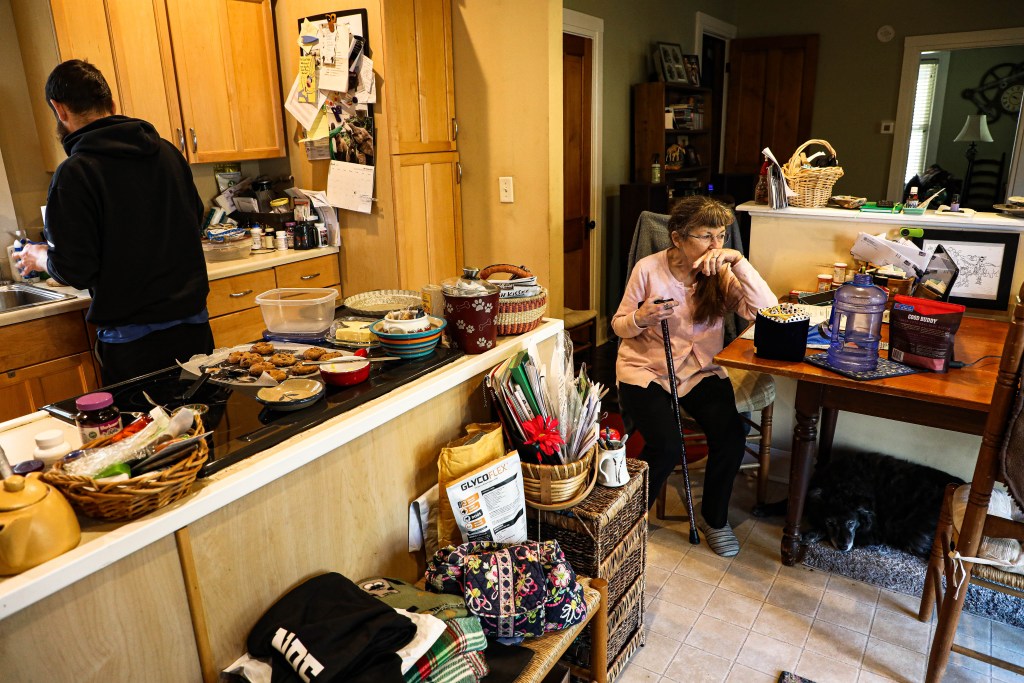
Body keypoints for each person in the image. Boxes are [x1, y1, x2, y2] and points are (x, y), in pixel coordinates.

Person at [15, 60, 213, 385]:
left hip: (135, 346)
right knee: (203, 427)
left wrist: (39, 257)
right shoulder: (167, 153)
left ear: (59, 109)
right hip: (195, 332)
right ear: (111, 104)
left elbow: (75, 269)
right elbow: (193, 220)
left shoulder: (76, 173)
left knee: (146, 433)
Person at [612, 196, 777, 557]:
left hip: (700, 370)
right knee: (667, 444)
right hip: (645, 371)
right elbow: (619, 326)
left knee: (731, 435)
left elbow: (767, 312)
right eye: (706, 236)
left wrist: (740, 262)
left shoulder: (722, 272)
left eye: (722, 236)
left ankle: (714, 519)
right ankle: (628, 522)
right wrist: (642, 318)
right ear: (678, 239)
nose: (716, 245)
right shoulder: (648, 269)